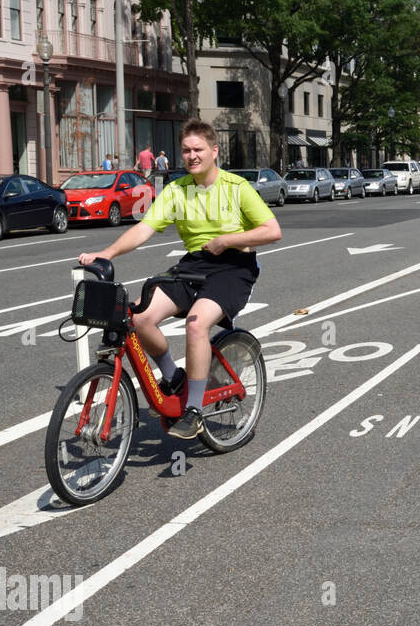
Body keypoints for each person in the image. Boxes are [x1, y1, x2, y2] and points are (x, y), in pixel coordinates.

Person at [77, 119, 282, 439]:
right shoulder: (177, 190)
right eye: (186, 150)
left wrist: (227, 240)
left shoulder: (236, 187)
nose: (192, 155)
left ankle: (195, 409)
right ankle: (173, 376)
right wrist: (108, 253)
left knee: (197, 324)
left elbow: (273, 231)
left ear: (214, 152)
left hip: (234, 267)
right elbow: (143, 230)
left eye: (198, 149)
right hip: (194, 264)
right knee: (139, 317)